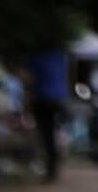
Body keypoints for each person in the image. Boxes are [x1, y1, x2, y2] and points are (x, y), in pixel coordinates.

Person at [28, 47, 69, 181]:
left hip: (43, 99)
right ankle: (53, 164)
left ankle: (50, 168)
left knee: (46, 135)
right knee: (55, 132)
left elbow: (30, 78)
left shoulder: (36, 56)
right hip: (58, 98)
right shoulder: (59, 56)